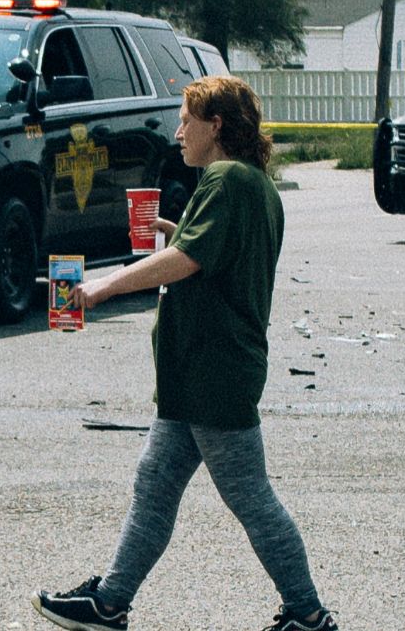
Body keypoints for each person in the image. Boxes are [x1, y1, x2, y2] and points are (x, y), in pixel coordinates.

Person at [32, 76, 335, 631]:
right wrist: (177, 230)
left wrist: (101, 287)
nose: (177, 133)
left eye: (186, 120)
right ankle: (110, 602)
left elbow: (189, 261)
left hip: (213, 371)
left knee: (250, 497)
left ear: (215, 124)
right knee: (156, 483)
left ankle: (307, 614)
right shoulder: (251, 184)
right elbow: (208, 249)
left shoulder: (225, 178)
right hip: (197, 372)